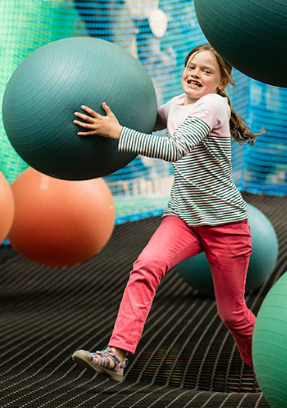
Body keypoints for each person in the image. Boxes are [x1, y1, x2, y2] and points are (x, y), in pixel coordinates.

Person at [70, 44, 263, 384]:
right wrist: (102, 116)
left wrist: (118, 133)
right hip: (183, 218)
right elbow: (140, 122)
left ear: (221, 82)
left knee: (232, 314)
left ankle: (268, 360)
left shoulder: (213, 105)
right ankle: (117, 356)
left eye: (206, 71)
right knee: (146, 266)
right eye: (191, 66)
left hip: (226, 224)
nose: (195, 74)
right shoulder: (175, 104)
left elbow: (174, 148)